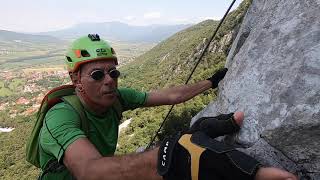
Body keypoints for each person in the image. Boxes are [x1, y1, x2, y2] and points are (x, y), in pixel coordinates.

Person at [38, 34, 297, 180]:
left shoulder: (116, 96)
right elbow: (88, 171)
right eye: (97, 75)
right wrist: (165, 157)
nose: (108, 80)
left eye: (113, 72)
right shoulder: (61, 116)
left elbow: (171, 95)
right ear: (75, 80)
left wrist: (211, 82)